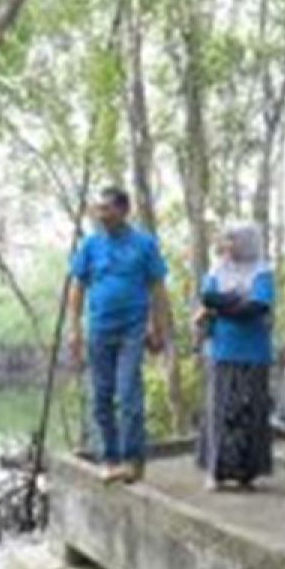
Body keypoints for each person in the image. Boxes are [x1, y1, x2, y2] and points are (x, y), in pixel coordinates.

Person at [68, 187, 171, 484]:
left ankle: (132, 458)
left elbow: (157, 289)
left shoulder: (144, 244)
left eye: (107, 209)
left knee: (128, 394)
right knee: (100, 396)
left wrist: (159, 328)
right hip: (99, 329)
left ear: (124, 211)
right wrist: (74, 329)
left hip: (133, 330)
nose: (101, 215)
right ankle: (109, 458)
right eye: (98, 209)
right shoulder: (90, 245)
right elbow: (78, 289)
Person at [194, 222, 276, 491]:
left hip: (253, 351)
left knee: (249, 410)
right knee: (220, 410)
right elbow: (207, 298)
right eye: (227, 240)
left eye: (234, 240)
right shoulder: (217, 270)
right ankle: (215, 470)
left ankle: (246, 472)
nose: (228, 246)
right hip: (222, 349)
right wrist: (232, 301)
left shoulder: (262, 272)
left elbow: (256, 307)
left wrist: (221, 304)